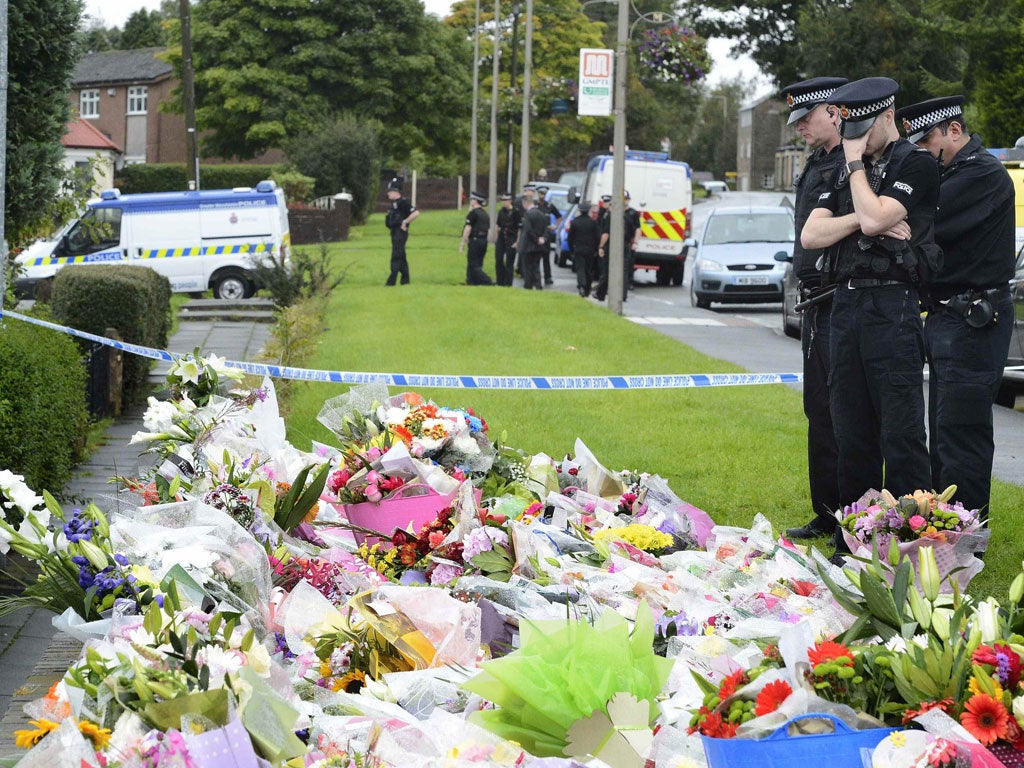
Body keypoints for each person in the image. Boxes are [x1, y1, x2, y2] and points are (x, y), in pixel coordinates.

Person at [801, 77, 939, 539]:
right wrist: (861, 218)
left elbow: (880, 217)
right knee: (851, 432)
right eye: (850, 128)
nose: (855, 138)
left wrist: (859, 176)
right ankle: (854, 538)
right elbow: (812, 235)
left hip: (893, 305)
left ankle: (909, 537)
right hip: (845, 303)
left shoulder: (915, 163)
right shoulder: (845, 169)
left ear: (887, 115)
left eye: (863, 127)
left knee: (900, 433)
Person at [895, 95, 1016, 516]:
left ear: (954, 130)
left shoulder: (980, 173)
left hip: (973, 318)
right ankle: (948, 524)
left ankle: (967, 533)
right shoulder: (954, 171)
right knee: (944, 428)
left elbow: (920, 222)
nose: (925, 153)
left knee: (961, 431)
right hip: (951, 315)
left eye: (928, 142)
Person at [779, 76, 848, 541]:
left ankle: (852, 517)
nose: (800, 127)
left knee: (848, 414)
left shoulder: (853, 162)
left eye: (806, 117)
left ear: (834, 111)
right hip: (814, 300)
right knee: (818, 410)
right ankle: (826, 511)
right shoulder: (818, 160)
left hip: (840, 296)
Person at [595, 191, 640, 302]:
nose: (623, 200)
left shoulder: (629, 213)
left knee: (620, 270)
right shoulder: (614, 213)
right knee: (611, 270)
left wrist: (635, 242)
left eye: (625, 198)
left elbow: (637, 229)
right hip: (615, 244)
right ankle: (602, 293)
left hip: (621, 244)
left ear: (628, 199)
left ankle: (620, 295)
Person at [384, 177, 419, 286]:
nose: (388, 194)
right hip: (394, 232)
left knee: (396, 255)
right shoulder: (394, 204)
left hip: (400, 232)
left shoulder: (403, 203)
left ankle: (391, 280)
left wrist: (405, 221)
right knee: (401, 256)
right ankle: (405, 280)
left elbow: (416, 213)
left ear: (396, 192)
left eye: (390, 191)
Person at [567, 201, 601, 297]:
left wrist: (572, 250)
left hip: (578, 249)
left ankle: (581, 286)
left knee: (580, 269)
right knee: (588, 269)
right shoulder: (593, 223)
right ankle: (587, 288)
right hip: (590, 250)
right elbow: (597, 237)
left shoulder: (575, 222)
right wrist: (596, 249)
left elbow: (570, 238)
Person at [460, 191, 494, 285]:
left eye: (472, 199)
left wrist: (463, 242)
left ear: (475, 201)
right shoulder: (485, 214)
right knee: (478, 263)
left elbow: (468, 228)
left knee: (473, 265)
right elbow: (489, 230)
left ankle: (488, 281)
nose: (470, 201)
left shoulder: (473, 213)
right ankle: (471, 282)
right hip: (483, 240)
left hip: (475, 240)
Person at [518, 195, 549, 290]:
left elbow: (528, 230)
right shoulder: (541, 214)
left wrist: (536, 239)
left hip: (528, 246)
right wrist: (543, 239)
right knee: (536, 267)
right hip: (539, 246)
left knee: (527, 268)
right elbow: (546, 229)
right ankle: (538, 285)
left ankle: (528, 286)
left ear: (525, 203)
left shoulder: (528, 214)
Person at [535, 186, 561, 286]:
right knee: (535, 257)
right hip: (536, 234)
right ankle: (535, 276)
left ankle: (548, 277)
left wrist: (555, 226)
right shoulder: (535, 205)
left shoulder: (549, 206)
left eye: (544, 194)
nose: (542, 195)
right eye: (540, 193)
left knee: (546, 257)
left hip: (546, 234)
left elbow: (559, 217)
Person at [495, 193, 520, 287]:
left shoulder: (516, 212)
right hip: (502, 238)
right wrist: (497, 239)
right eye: (502, 200)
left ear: (510, 201)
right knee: (499, 260)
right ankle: (499, 281)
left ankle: (508, 283)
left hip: (511, 238)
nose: (503, 202)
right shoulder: (501, 211)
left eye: (505, 200)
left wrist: (517, 242)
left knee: (509, 262)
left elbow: (519, 228)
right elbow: (498, 226)